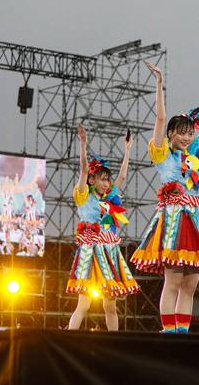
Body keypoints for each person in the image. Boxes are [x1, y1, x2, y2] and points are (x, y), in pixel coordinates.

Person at [131, 61, 199, 333]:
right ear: (171, 134)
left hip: (198, 220)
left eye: (191, 133)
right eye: (182, 133)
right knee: (173, 282)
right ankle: (168, 333)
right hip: (175, 221)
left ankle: (182, 334)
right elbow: (159, 119)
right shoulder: (162, 154)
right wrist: (159, 83)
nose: (188, 137)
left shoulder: (196, 155)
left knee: (190, 286)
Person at [68, 124, 139, 330]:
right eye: (102, 179)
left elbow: (123, 177)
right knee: (84, 303)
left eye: (108, 179)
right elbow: (83, 169)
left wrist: (127, 149)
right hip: (90, 251)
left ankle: (114, 342)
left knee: (110, 303)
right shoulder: (83, 196)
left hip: (109, 251)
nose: (107, 183)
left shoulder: (110, 198)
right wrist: (83, 144)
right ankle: (70, 339)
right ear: (91, 179)